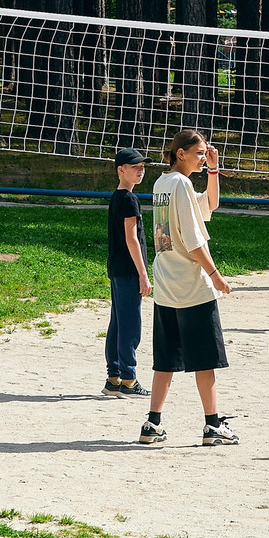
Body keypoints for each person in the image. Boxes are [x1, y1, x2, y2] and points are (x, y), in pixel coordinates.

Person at [144, 129, 237, 446]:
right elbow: (193, 241)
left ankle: (152, 423)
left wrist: (213, 169)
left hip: (166, 282)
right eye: (198, 153)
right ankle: (213, 426)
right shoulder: (180, 185)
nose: (202, 157)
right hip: (190, 283)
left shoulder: (162, 183)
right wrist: (215, 274)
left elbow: (210, 204)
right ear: (180, 152)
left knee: (166, 358)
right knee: (205, 359)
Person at [103, 147, 149, 396]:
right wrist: (143, 273)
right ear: (121, 170)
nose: (141, 170)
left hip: (117, 268)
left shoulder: (117, 196)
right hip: (129, 270)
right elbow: (132, 239)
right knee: (130, 325)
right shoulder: (129, 199)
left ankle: (114, 378)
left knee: (118, 324)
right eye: (135, 167)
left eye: (143, 166)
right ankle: (129, 380)